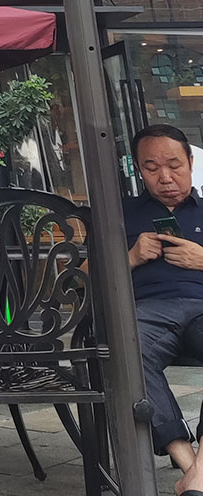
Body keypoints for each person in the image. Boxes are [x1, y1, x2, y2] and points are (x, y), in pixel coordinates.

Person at [124, 124, 203, 496]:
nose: (165, 177)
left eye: (174, 165)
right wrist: (131, 257)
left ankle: (197, 477)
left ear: (190, 163)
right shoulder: (121, 214)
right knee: (126, 348)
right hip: (150, 311)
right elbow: (81, 275)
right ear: (139, 169)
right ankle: (191, 467)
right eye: (152, 167)